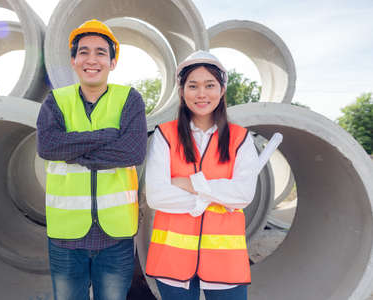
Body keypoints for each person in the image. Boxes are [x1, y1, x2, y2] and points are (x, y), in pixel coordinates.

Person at [36, 19, 147, 300]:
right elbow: (48, 147)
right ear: (73, 60)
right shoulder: (56, 101)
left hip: (116, 236)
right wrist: (107, 135)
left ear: (113, 61)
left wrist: (74, 150)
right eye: (83, 52)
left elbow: (132, 152)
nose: (91, 59)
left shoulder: (129, 100)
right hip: (66, 237)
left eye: (101, 52)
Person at [145, 50, 259, 300]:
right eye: (193, 86)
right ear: (182, 91)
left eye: (210, 85)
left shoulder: (241, 138)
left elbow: (242, 195)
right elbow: (156, 196)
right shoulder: (165, 135)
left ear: (222, 90)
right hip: (172, 262)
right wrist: (217, 198)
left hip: (225, 262)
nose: (201, 94)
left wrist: (189, 183)